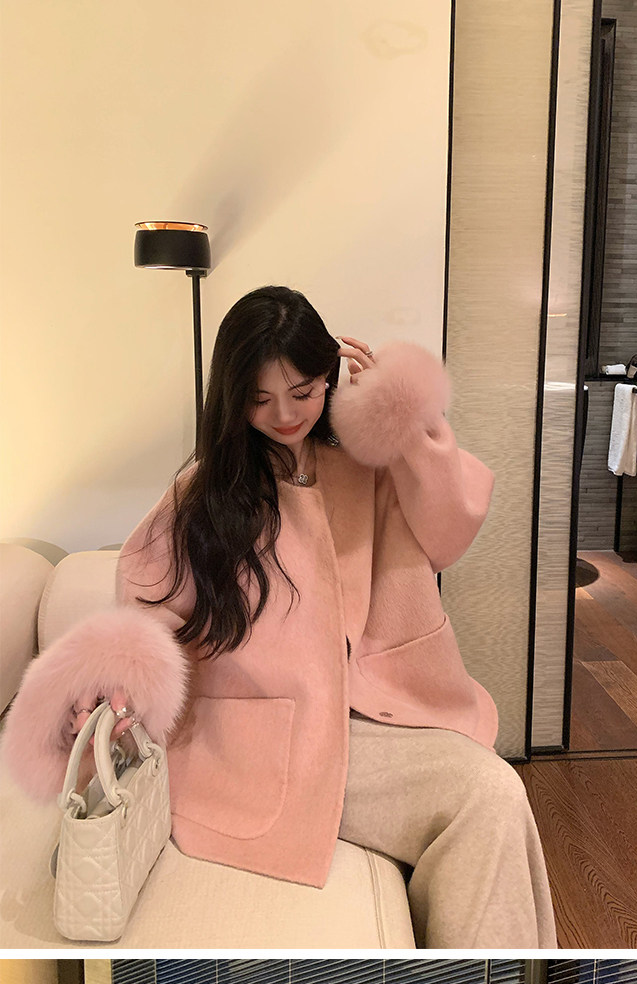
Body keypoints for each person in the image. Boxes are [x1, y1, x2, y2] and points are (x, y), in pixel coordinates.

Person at [3, 286, 556, 948]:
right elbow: (147, 605)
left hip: (378, 716)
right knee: (487, 795)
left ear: (329, 375)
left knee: (494, 796)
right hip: (261, 745)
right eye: (259, 399)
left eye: (303, 391)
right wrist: (124, 686)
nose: (285, 415)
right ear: (232, 398)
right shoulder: (206, 494)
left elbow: (447, 531)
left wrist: (397, 409)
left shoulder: (367, 465)